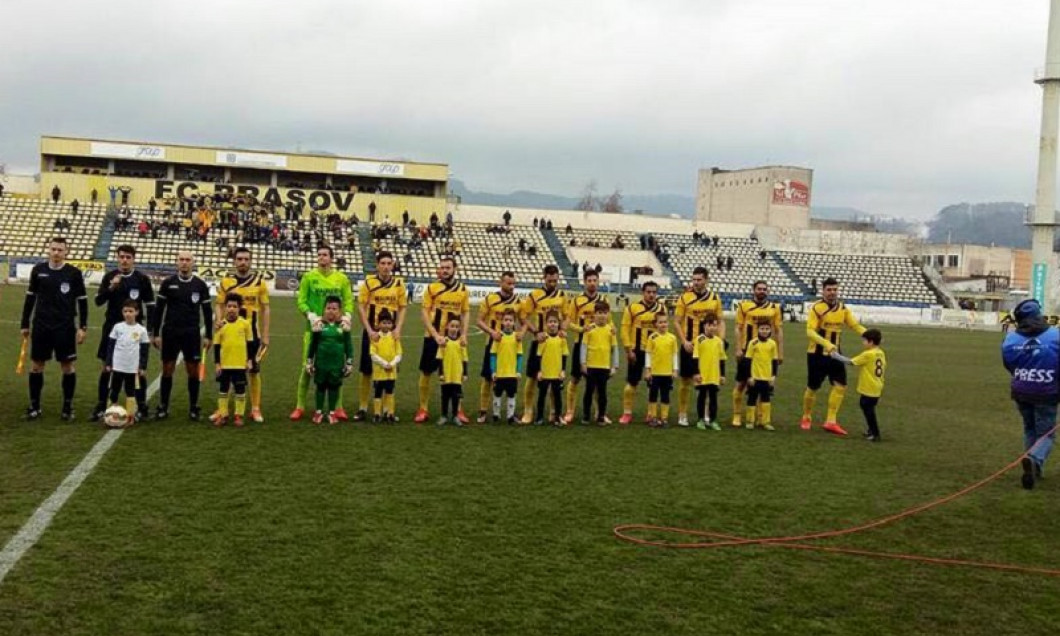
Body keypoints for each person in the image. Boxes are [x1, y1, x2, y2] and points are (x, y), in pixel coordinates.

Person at [20, 237, 88, 420]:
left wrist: (82, 327)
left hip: (65, 327)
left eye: (60, 250)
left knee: (67, 366)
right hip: (41, 325)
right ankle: (34, 406)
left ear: (67, 252)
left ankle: (67, 407)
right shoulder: (38, 270)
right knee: (36, 366)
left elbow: (82, 301)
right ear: (48, 250)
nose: (56, 253)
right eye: (54, 249)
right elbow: (30, 298)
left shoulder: (73, 273)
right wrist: (24, 323)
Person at [91, 245, 155, 422]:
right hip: (112, 329)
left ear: (134, 259)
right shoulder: (110, 277)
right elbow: (98, 301)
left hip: (135, 330)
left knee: (138, 370)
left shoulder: (142, 279)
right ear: (117, 258)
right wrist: (111, 287)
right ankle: (101, 404)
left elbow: (150, 305)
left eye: (128, 257)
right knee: (106, 367)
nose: (124, 260)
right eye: (121, 257)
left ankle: (141, 406)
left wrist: (150, 330)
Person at [1000, 299, 1059, 489]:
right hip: (1047, 392)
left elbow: (1009, 364)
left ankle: (1034, 467)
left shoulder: (1010, 339)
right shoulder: (1055, 336)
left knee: (1030, 429)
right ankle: (1034, 459)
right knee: (1046, 435)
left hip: (1021, 391)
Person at [292, 246, 354, 421]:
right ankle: (300, 407)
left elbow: (349, 301)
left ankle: (338, 407)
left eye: (325, 255)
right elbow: (301, 301)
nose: (321, 257)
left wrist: (347, 316)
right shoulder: (309, 277)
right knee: (306, 369)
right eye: (319, 255)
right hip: (313, 331)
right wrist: (310, 315)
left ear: (331, 258)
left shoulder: (341, 279)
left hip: (336, 333)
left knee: (337, 370)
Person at [801, 277, 867, 436]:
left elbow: (854, 325)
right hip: (817, 354)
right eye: (829, 290)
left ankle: (831, 421)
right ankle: (806, 416)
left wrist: (869, 334)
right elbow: (810, 331)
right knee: (813, 387)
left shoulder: (842, 308)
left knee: (840, 385)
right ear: (823, 291)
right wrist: (826, 343)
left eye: (835, 289)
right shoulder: (816, 308)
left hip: (835, 354)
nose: (832, 293)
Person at [151, 251, 213, 420]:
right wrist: (155, 333)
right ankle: (163, 406)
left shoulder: (200, 285)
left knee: (192, 371)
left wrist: (209, 335)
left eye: (188, 260)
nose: (184, 263)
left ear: (193, 263)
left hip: (191, 333)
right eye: (181, 260)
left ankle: (194, 407)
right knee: (167, 370)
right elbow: (159, 309)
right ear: (176, 263)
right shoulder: (168, 283)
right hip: (170, 331)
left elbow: (207, 312)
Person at [216, 248, 271, 423]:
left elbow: (265, 308)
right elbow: (219, 304)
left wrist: (266, 334)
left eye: (246, 259)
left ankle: (255, 408)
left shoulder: (259, 282)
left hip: (251, 335)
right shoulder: (226, 282)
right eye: (239, 259)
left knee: (253, 371)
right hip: (230, 334)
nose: (243, 262)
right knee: (228, 370)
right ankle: (222, 409)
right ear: (234, 261)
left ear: (251, 261)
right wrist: (218, 321)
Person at [414, 256, 471, 423]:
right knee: (426, 371)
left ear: (455, 269)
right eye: (442, 267)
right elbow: (424, 313)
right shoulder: (432, 288)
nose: (444, 270)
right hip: (434, 337)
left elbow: (466, 312)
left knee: (456, 374)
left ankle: (458, 410)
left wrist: (464, 334)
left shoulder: (462, 290)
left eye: (448, 267)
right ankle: (423, 408)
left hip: (454, 340)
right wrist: (435, 334)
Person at [357, 251, 407, 421]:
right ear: (377, 265)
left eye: (389, 263)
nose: (386, 267)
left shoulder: (399, 284)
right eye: (383, 263)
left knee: (389, 370)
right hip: (372, 333)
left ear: (393, 265)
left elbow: (402, 308)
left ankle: (387, 409)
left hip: (391, 335)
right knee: (366, 370)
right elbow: (361, 307)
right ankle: (363, 407)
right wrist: (369, 330)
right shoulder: (369, 283)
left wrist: (398, 329)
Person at [674, 266, 725, 427]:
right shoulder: (684, 298)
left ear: (706, 280)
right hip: (690, 345)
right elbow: (676, 321)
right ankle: (682, 414)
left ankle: (706, 415)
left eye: (699, 279)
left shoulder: (715, 298)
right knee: (685, 381)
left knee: (707, 382)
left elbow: (721, 320)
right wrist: (684, 342)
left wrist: (721, 340)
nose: (696, 282)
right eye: (694, 279)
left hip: (708, 347)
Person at [519, 265, 569, 423]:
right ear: (544, 277)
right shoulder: (534, 295)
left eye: (555, 280)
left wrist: (562, 329)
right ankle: (528, 411)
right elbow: (523, 317)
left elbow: (567, 317)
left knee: (555, 378)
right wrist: (535, 332)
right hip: (539, 342)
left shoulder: (562, 295)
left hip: (556, 344)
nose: (553, 283)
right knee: (532, 378)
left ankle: (554, 412)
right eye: (550, 280)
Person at [731, 281, 783, 427]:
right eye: (759, 289)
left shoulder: (775, 308)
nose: (762, 291)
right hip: (747, 352)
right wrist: (738, 348)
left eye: (764, 289)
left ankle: (761, 418)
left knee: (764, 385)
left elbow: (778, 330)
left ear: (768, 291)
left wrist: (780, 352)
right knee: (741, 383)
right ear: (753, 290)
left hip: (765, 353)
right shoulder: (744, 306)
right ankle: (736, 415)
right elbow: (738, 328)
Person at [475, 271, 521, 422]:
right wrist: (492, 332)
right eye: (508, 283)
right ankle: (483, 410)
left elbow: (524, 321)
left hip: (511, 346)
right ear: (500, 283)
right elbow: (479, 321)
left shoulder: (518, 302)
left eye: (513, 283)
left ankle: (510, 413)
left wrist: (522, 333)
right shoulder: (490, 299)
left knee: (511, 378)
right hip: (493, 344)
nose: (511, 286)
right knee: (488, 378)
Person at [619, 281, 667, 424]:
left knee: (652, 384)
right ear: (643, 292)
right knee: (631, 383)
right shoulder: (633, 308)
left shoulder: (661, 309)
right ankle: (627, 413)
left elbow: (664, 330)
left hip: (654, 353)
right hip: (637, 351)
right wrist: (628, 349)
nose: (651, 295)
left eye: (654, 292)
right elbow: (624, 329)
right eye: (648, 292)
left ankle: (650, 413)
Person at [831, 329, 886, 442]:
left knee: (867, 409)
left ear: (871, 342)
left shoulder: (868, 354)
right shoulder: (880, 352)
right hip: (877, 385)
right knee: (866, 407)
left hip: (869, 387)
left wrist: (835, 355)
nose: (863, 343)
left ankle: (875, 434)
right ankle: (871, 430)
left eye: (864, 341)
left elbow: (851, 362)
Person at [307, 296, 355, 425]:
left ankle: (332, 412)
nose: (331, 311)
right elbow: (313, 345)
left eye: (334, 309)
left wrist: (349, 362)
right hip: (321, 364)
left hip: (336, 364)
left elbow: (348, 346)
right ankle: (318, 412)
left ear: (340, 311)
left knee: (334, 387)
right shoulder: (319, 325)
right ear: (324, 310)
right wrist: (309, 361)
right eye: (328, 308)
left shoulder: (344, 327)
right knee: (320, 387)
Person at [564, 269, 602, 423]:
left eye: (595, 280)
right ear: (585, 282)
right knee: (575, 378)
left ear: (598, 281)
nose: (592, 283)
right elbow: (567, 323)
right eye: (589, 280)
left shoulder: (603, 300)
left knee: (597, 382)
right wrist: (581, 329)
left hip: (598, 346)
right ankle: (570, 411)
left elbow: (610, 322)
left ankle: (598, 412)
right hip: (580, 344)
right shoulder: (577, 301)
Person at [211, 294, 254, 428]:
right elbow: (217, 346)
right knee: (223, 390)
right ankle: (223, 415)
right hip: (224, 365)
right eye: (229, 306)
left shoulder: (245, 324)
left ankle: (238, 415)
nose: (231, 309)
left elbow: (250, 344)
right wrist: (217, 364)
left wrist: (250, 360)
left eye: (234, 306)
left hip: (240, 365)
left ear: (239, 308)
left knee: (240, 390)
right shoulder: (220, 325)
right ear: (225, 308)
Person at [105, 300, 149, 425]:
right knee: (114, 389)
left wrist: (142, 366)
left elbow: (144, 350)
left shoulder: (141, 330)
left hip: (132, 368)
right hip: (117, 365)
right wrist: (108, 363)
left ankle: (130, 416)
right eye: (125, 311)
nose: (128, 314)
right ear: (122, 313)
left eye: (131, 311)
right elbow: (110, 346)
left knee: (130, 391)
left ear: (137, 312)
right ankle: (110, 413)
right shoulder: (118, 327)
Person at [579, 300, 619, 425]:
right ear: (594, 314)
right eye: (599, 312)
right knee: (589, 392)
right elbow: (584, 347)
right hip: (591, 366)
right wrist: (583, 363)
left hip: (604, 367)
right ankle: (586, 416)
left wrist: (615, 366)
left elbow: (615, 349)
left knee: (602, 393)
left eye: (605, 313)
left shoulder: (610, 330)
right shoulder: (589, 329)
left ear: (608, 315)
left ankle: (601, 416)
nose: (602, 315)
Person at [692, 313, 727, 430]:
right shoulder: (699, 340)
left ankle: (713, 420)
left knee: (713, 398)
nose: (712, 327)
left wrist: (722, 375)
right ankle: (700, 419)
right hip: (702, 375)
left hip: (714, 375)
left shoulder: (718, 341)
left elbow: (722, 359)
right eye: (710, 325)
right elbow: (695, 357)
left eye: (715, 325)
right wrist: (696, 373)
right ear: (704, 326)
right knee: (701, 397)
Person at [534, 311, 569, 427]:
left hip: (557, 374)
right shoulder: (543, 339)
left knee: (557, 397)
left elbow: (564, 356)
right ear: (546, 324)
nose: (552, 324)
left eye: (555, 322)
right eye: (550, 322)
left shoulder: (562, 339)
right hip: (544, 373)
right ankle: (539, 417)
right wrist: (539, 371)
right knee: (542, 396)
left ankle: (557, 417)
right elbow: (538, 356)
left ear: (558, 324)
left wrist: (563, 370)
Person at [644, 313, 679, 428]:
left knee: (665, 396)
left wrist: (675, 370)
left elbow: (674, 355)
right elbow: (648, 354)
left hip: (667, 373)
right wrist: (648, 370)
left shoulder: (672, 338)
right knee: (653, 395)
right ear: (655, 324)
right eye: (660, 322)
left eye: (665, 322)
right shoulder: (652, 337)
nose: (663, 324)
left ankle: (664, 418)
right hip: (655, 373)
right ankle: (653, 417)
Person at [490, 309, 523, 424]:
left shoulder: (517, 337)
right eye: (506, 320)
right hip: (499, 373)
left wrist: (518, 371)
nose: (508, 322)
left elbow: (519, 356)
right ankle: (496, 415)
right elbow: (493, 355)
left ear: (514, 322)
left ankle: (510, 416)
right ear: (502, 322)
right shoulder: (498, 337)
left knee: (511, 395)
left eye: (511, 320)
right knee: (497, 395)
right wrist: (493, 371)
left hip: (511, 374)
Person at [744, 322, 779, 431]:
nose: (764, 331)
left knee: (766, 399)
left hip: (767, 378)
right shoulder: (753, 343)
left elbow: (774, 361)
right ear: (758, 330)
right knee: (752, 399)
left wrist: (773, 376)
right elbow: (748, 361)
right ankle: (750, 421)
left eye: (767, 329)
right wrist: (749, 376)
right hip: (755, 377)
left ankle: (765, 422)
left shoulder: (772, 344)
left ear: (770, 330)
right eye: (762, 328)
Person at [369, 309, 402, 423]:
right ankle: (377, 414)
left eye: (389, 323)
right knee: (378, 392)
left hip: (391, 372)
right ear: (378, 324)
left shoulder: (394, 337)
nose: (386, 325)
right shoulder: (375, 337)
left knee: (390, 392)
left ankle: (390, 413)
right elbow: (373, 354)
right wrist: (384, 364)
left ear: (392, 324)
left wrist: (391, 364)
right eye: (384, 322)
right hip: (379, 372)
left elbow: (399, 354)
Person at [436, 317, 468, 426]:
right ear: (447, 327)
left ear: (459, 329)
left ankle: (455, 416)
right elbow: (439, 359)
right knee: (445, 396)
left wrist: (465, 373)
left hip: (457, 376)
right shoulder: (443, 342)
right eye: (452, 326)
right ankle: (444, 415)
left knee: (456, 396)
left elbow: (465, 359)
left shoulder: (461, 343)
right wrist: (440, 373)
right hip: (446, 375)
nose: (454, 329)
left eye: (457, 327)